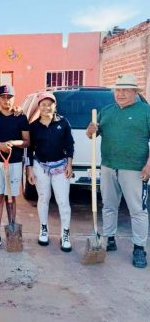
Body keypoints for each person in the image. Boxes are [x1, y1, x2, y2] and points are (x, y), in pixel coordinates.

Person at [86, 74, 150, 268]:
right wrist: (90, 130)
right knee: (108, 205)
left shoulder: (146, 112)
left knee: (137, 210)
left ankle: (139, 248)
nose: (120, 93)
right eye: (118, 90)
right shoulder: (106, 112)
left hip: (134, 169)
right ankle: (109, 237)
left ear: (134, 92)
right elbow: (92, 135)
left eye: (125, 90)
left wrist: (149, 164)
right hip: (108, 166)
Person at [26, 92, 74, 252]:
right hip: (41, 166)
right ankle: (43, 229)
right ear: (39, 107)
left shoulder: (63, 122)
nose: (46, 107)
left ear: (55, 106)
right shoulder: (34, 127)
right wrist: (29, 170)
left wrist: (69, 164)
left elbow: (70, 144)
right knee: (43, 198)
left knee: (63, 201)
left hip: (60, 167)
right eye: (43, 104)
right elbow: (29, 150)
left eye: (49, 104)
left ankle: (65, 234)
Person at [0, 85, 30, 251]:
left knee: (11, 199)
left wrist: (15, 143)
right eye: (3, 97)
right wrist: (0, 145)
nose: (6, 100)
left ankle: (12, 231)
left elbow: (26, 141)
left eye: (9, 97)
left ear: (14, 98)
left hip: (15, 163)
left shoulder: (21, 117)